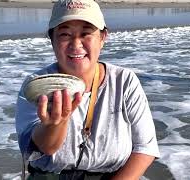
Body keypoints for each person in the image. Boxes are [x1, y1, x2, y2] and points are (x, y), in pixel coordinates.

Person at [15, 0, 160, 179]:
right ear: (52, 39)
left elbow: (145, 148)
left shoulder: (124, 81)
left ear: (102, 38)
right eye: (65, 34)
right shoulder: (35, 85)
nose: (76, 44)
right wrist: (54, 124)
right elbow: (45, 148)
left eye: (86, 33)